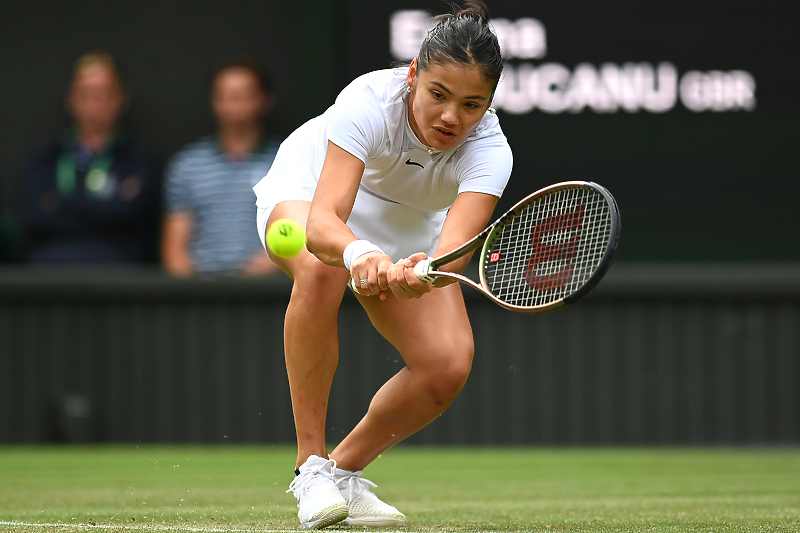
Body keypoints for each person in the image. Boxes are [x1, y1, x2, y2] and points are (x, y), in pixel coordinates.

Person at [253, 1, 511, 529]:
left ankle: (344, 473)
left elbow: (454, 249)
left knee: (446, 366)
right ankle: (311, 468)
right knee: (322, 268)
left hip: (410, 226)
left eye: (471, 104)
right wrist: (359, 254)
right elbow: (325, 222)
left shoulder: (491, 151)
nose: (450, 117)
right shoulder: (368, 100)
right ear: (413, 75)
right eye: (438, 94)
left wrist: (423, 271)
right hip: (310, 191)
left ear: (488, 103)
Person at [18, 52, 161, 264]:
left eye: (103, 94)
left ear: (121, 99)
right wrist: (103, 210)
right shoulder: (43, 162)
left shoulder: (139, 163)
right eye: (86, 94)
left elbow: (131, 216)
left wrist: (60, 203)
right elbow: (32, 218)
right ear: (71, 100)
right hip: (49, 280)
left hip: (118, 280)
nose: (95, 104)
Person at [161, 60, 282, 277]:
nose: (233, 102)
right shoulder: (187, 164)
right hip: (199, 295)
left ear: (264, 100)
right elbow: (175, 249)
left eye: (242, 94)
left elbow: (296, 230)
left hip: (267, 294)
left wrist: (255, 275)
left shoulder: (286, 161)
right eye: (225, 95)